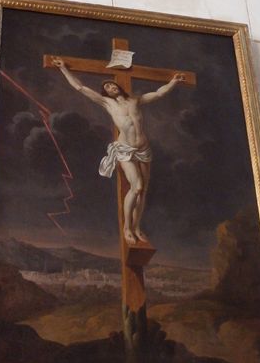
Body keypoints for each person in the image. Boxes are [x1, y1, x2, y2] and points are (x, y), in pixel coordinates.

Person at [52, 57, 185, 245]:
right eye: (106, 87)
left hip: (144, 149)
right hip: (125, 149)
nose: (110, 87)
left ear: (118, 87)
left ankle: (136, 227)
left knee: (143, 192)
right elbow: (80, 87)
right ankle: (127, 228)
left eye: (111, 85)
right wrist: (64, 69)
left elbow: (158, 93)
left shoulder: (135, 100)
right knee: (136, 187)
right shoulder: (108, 103)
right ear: (105, 93)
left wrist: (173, 82)